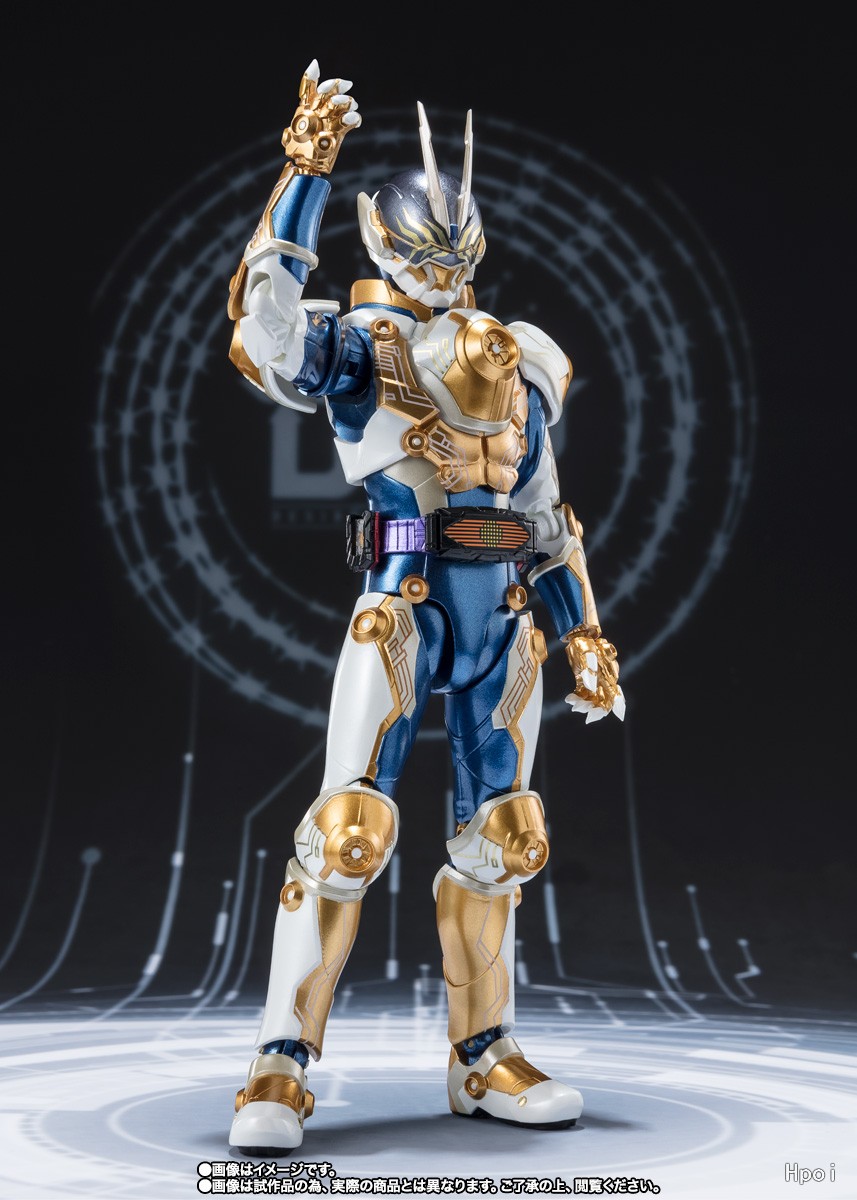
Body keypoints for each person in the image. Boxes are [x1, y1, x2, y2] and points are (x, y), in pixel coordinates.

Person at [226, 60, 624, 1154]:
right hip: (401, 606)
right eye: (424, 258)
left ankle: (482, 1054)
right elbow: (265, 330)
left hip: (505, 617)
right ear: (384, 246)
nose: (443, 277)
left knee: (505, 836)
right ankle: (278, 1065)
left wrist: (584, 632)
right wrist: (302, 175)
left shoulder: (520, 360)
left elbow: (546, 518)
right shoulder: (361, 347)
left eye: (457, 259)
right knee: (347, 833)